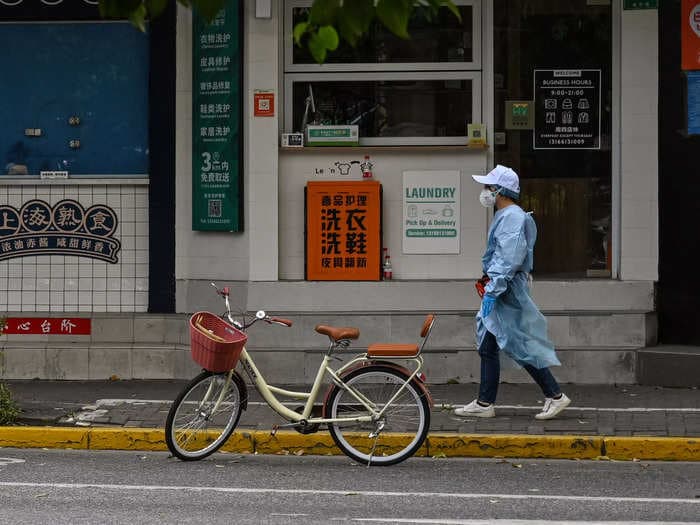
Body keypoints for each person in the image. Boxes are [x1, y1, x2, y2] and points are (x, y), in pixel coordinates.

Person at [455, 165, 571, 420]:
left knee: (517, 343)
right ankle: (485, 403)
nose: (485, 191)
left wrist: (493, 291)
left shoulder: (512, 218)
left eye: (488, 187)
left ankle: (555, 395)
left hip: (504, 289)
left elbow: (508, 258)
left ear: (500, 191)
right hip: (501, 287)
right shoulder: (507, 216)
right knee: (490, 343)